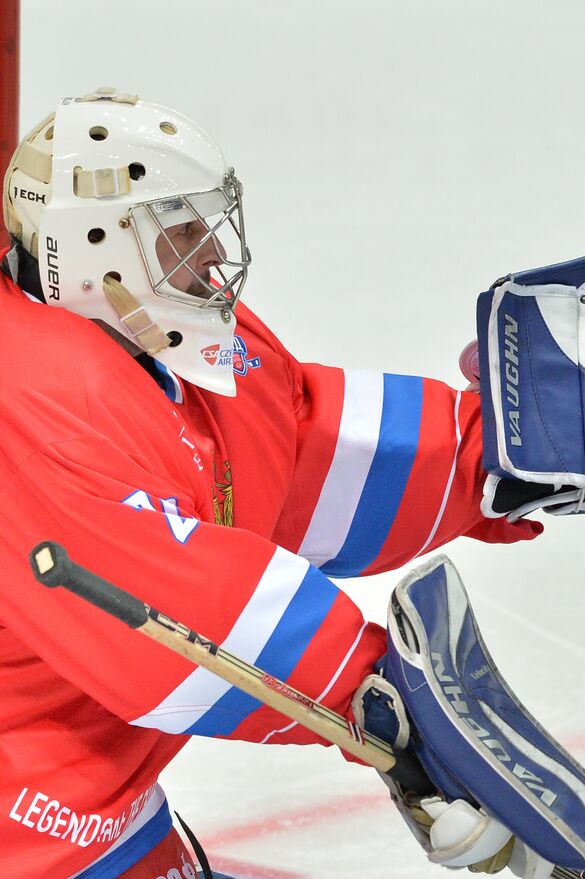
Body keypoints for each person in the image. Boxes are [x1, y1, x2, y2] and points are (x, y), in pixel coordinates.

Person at [0, 90, 546, 878]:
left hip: (92, 806)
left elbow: (291, 457)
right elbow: (172, 612)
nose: (215, 255)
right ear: (97, 248)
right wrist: (382, 701)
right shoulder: (33, 395)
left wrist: (491, 459)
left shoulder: (164, 342)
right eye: (182, 231)